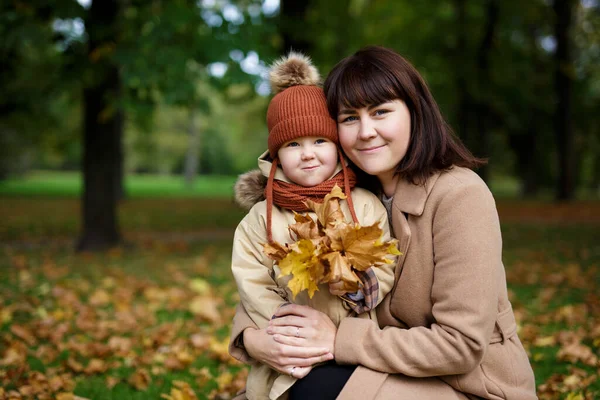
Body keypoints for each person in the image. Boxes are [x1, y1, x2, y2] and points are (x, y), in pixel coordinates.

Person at [229, 46, 538, 400]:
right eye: (348, 118)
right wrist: (255, 340)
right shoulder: (344, 194)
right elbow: (272, 279)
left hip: (467, 386)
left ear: (414, 112)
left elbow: (461, 345)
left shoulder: (460, 196)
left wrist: (335, 339)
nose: (365, 131)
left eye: (381, 112)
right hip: (382, 371)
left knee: (314, 387)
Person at [230, 51, 397, 400]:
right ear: (276, 155)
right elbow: (252, 279)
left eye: (320, 141)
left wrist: (356, 285)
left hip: (353, 342)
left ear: (337, 146)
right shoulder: (261, 218)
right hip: (289, 353)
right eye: (293, 144)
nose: (308, 153)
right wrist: (286, 330)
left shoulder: (363, 204)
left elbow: (384, 261)